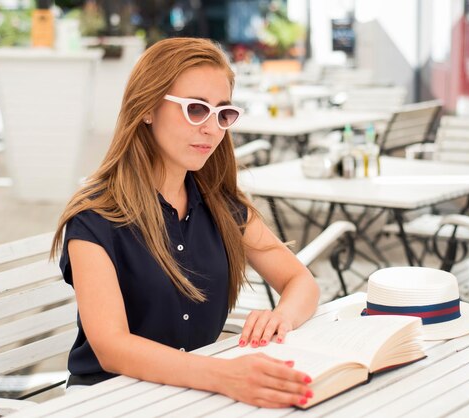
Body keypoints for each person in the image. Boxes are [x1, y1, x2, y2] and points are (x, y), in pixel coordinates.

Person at [51, 37, 320, 408]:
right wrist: (227, 376)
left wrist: (281, 318)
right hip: (109, 398)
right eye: (195, 109)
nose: (212, 128)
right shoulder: (95, 217)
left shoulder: (223, 205)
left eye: (223, 113)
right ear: (147, 108)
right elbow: (112, 348)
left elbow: (300, 281)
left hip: (197, 395)